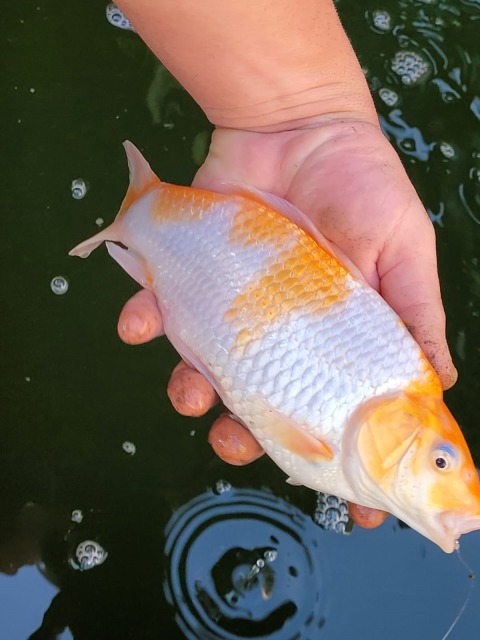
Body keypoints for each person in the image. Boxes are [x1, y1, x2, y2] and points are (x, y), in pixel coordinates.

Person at [114, 0, 457, 528]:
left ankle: (148, 221)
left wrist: (306, 114)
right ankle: (146, 217)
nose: (439, 472)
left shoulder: (397, 391)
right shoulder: (402, 383)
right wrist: (309, 118)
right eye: (440, 460)